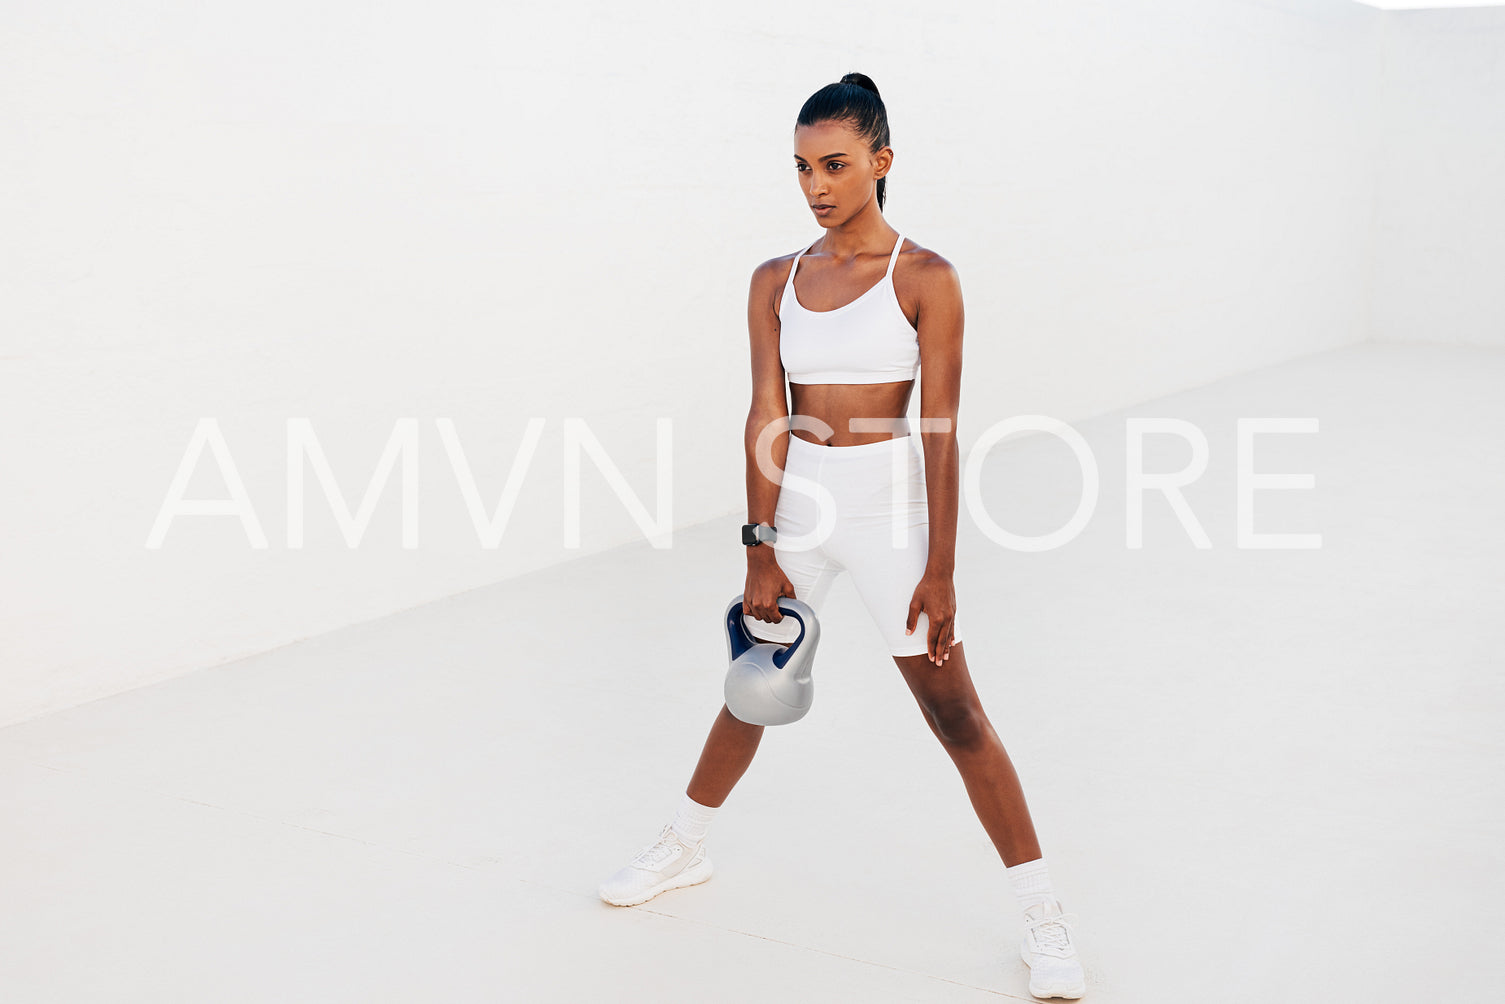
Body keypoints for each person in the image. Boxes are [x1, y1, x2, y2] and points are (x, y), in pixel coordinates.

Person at [599, 73, 1087, 1000]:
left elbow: (941, 429)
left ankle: (1043, 916)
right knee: (754, 686)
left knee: (955, 714)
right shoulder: (774, 281)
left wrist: (940, 569)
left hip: (891, 509)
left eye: (833, 164)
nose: (815, 185)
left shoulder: (924, 278)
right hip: (797, 509)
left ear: (881, 162)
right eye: (800, 167)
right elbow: (762, 414)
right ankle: (683, 846)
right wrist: (758, 547)